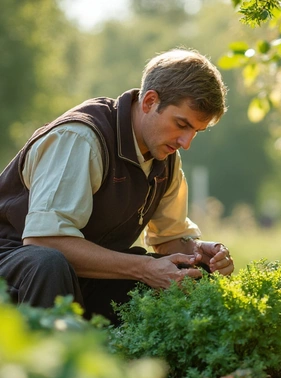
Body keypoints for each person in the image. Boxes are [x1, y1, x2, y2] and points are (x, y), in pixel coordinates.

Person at [0, 48, 234, 324]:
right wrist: (144, 267)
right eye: (181, 124)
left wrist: (198, 251)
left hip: (84, 272)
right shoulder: (81, 139)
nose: (186, 142)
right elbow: (43, 240)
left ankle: (159, 368)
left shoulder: (166, 158)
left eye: (195, 131)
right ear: (149, 101)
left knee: (191, 274)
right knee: (49, 264)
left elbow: (167, 238)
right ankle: (46, 366)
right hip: (17, 266)